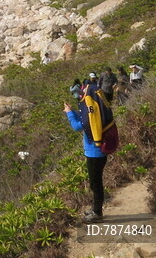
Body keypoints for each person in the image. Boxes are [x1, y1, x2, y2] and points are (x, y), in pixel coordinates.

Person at [64, 93, 108, 223]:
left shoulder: (92, 112)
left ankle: (97, 213)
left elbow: (77, 126)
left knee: (96, 184)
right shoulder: (98, 109)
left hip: (95, 153)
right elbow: (84, 120)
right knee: (95, 182)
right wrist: (73, 111)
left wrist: (69, 113)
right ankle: (96, 209)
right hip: (98, 152)